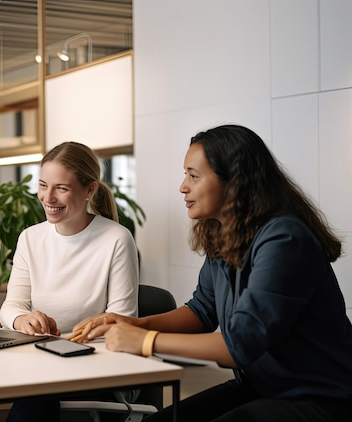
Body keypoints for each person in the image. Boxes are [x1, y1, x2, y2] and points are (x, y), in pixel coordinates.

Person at [70, 124, 352, 422]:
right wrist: (134, 324)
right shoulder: (224, 234)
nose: (183, 186)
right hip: (262, 386)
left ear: (234, 181)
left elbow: (240, 345)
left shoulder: (284, 239)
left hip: (320, 397)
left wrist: (145, 341)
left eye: (193, 175)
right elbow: (202, 311)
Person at [0, 141, 139, 422]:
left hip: (99, 364)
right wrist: (21, 320)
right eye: (42, 185)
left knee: (32, 403)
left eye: (61, 188)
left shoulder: (117, 238)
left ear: (90, 190)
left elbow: (122, 321)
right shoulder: (30, 237)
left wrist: (71, 339)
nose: (47, 197)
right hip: (43, 360)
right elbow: (11, 306)